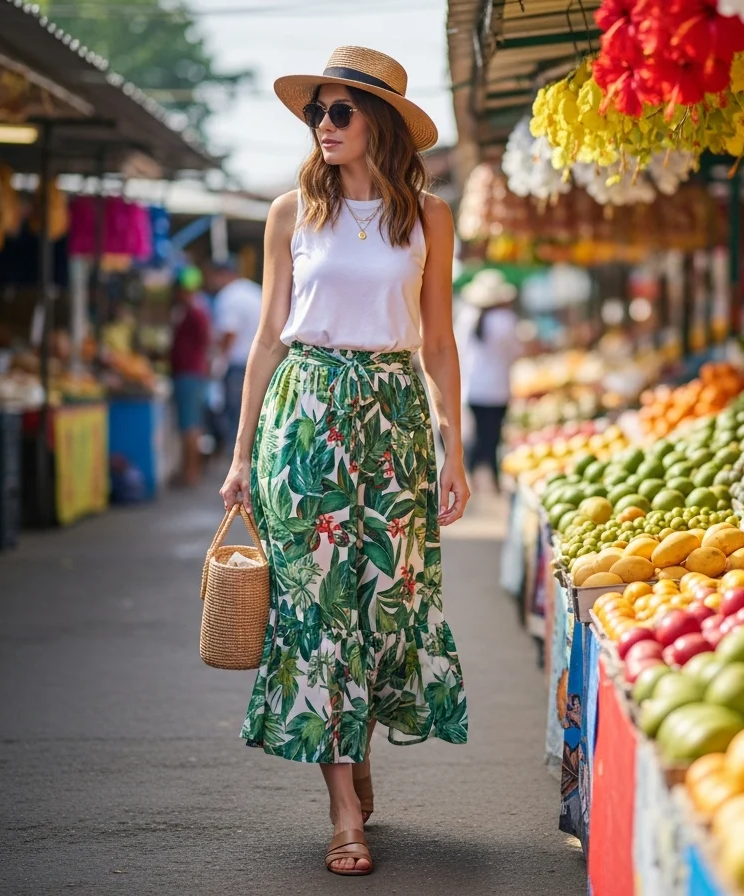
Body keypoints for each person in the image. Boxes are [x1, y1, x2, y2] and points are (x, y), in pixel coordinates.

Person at [217, 47, 469, 877]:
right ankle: (342, 813)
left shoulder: (429, 218)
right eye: (315, 113)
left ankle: (356, 751)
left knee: (384, 603)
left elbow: (437, 341)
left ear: (380, 124)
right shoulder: (291, 212)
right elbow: (264, 339)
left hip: (393, 419)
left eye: (339, 112)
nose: (323, 126)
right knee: (318, 611)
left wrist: (454, 450)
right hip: (306, 417)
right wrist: (242, 452)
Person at [457, 269, 523, 494]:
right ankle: (493, 478)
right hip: (497, 388)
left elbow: (459, 351)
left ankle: (473, 475)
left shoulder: (467, 317)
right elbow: (514, 351)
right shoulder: (505, 320)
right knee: (493, 436)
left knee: (477, 434)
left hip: (473, 387)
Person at [206, 260, 263, 445]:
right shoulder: (254, 291)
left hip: (238, 365)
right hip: (261, 361)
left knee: (237, 417)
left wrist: (217, 361)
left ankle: (237, 461)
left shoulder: (229, 296)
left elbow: (230, 334)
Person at [170, 265, 212, 488]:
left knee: (190, 426)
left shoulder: (195, 313)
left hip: (190, 374)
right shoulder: (192, 312)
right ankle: (189, 470)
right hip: (190, 373)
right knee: (190, 425)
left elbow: (205, 342)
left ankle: (191, 472)